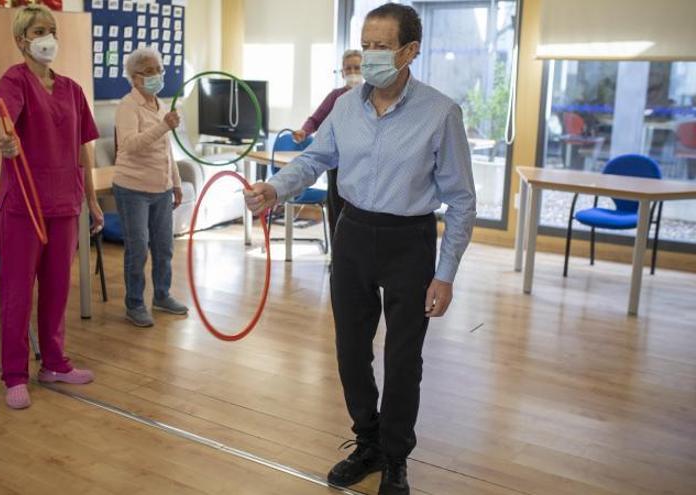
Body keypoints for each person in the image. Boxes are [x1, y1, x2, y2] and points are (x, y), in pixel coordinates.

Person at [244, 4, 476, 494]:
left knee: (403, 356)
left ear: (410, 51)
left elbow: (460, 201)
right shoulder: (346, 106)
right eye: (365, 44)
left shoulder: (441, 113)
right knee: (350, 350)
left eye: (382, 46)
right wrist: (275, 188)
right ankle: (367, 441)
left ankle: (395, 457)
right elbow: (315, 159)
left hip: (409, 241)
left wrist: (446, 272)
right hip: (352, 234)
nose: (370, 56)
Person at [0, 4, 103, 410]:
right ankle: (14, 375)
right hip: (23, 205)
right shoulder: (13, 80)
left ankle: (54, 363)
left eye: (51, 29)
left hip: (65, 202)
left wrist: (90, 198)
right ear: (22, 40)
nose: (48, 36)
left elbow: (83, 148)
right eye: (39, 30)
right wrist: (6, 140)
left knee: (56, 291)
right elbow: (4, 123)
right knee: (18, 293)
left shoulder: (72, 89)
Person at [113, 47, 189, 328]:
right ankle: (134, 304)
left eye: (159, 69)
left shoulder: (161, 104)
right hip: (132, 188)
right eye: (149, 71)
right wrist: (164, 127)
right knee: (138, 249)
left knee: (164, 247)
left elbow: (166, 150)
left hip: (161, 188)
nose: (157, 75)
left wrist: (176, 183)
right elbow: (130, 145)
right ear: (134, 78)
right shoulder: (127, 106)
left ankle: (162, 295)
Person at [292, 49, 363, 237]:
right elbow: (315, 120)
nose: (353, 72)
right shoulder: (336, 96)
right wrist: (303, 131)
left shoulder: (373, 95)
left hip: (365, 165)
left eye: (357, 67)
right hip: (338, 163)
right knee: (337, 210)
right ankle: (337, 258)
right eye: (348, 68)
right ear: (342, 73)